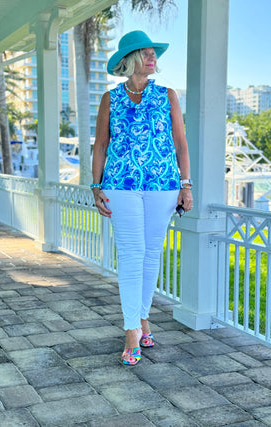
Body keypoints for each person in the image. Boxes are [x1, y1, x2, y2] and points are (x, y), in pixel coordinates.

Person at [91, 30, 193, 365]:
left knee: (151, 256)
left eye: (154, 54)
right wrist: (96, 186)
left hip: (162, 185)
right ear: (132, 59)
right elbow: (101, 145)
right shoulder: (111, 98)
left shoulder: (168, 95)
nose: (153, 59)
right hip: (120, 184)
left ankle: (144, 317)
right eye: (147, 53)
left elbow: (180, 143)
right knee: (132, 256)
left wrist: (186, 185)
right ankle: (132, 330)